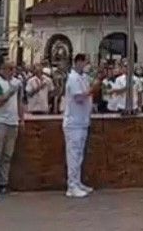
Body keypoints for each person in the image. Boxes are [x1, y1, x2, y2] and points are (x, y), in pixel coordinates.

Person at [0, 58, 24, 197]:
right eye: (9, 69)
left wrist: (21, 118)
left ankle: (3, 183)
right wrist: (9, 92)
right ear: (1, 69)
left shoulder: (16, 82)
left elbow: (20, 101)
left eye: (13, 69)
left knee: (7, 154)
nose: (12, 72)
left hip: (12, 121)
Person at [63, 53, 97, 198]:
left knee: (79, 155)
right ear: (78, 62)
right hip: (73, 122)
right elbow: (78, 97)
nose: (86, 65)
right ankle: (71, 186)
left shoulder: (83, 77)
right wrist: (92, 90)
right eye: (85, 62)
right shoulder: (72, 78)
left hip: (82, 121)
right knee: (73, 154)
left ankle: (77, 182)